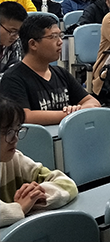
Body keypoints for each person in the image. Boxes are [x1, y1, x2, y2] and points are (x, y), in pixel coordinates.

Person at [0, 15, 100, 124]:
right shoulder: (13, 78)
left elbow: (93, 103)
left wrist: (77, 111)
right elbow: (24, 116)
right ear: (33, 44)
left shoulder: (61, 73)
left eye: (60, 35)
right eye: (53, 37)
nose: (60, 42)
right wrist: (70, 115)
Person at [0, 97, 78, 227]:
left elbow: (67, 184)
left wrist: (34, 198)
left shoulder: (14, 159)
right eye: (8, 132)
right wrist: (19, 208)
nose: (15, 139)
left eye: (17, 130)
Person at [0, 2, 26, 75]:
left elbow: (14, 73)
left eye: (19, 32)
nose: (16, 36)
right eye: (12, 31)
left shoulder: (15, 42)